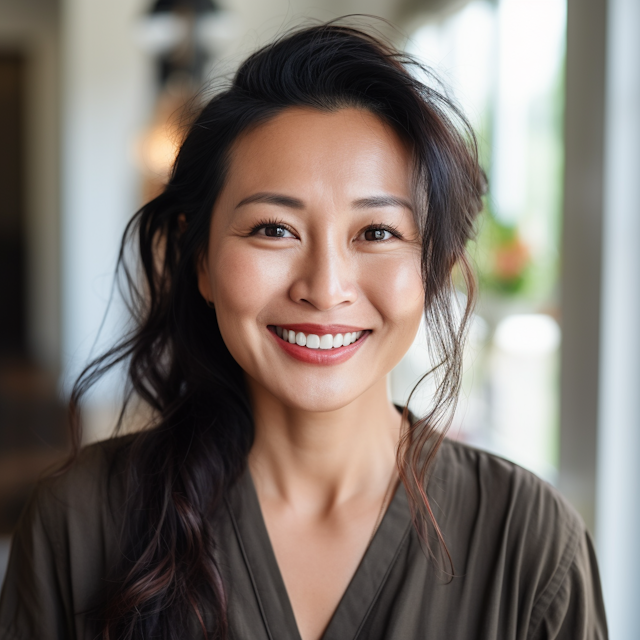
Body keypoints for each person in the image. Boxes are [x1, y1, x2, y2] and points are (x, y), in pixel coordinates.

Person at [0, 21, 607, 640]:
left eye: (377, 233)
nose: (323, 286)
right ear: (202, 260)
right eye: (273, 229)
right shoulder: (79, 522)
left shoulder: (531, 546)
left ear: (434, 269)